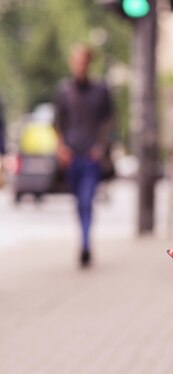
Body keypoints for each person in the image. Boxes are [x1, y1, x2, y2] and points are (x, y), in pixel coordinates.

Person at [53, 44, 114, 268]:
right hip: (71, 157)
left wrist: (100, 147)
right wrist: (61, 148)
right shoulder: (63, 91)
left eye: (83, 61)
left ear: (89, 63)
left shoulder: (101, 90)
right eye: (76, 61)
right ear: (72, 63)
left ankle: (86, 243)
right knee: (79, 202)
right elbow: (58, 123)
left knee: (87, 200)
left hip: (91, 158)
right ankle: (83, 237)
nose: (80, 65)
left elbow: (109, 122)